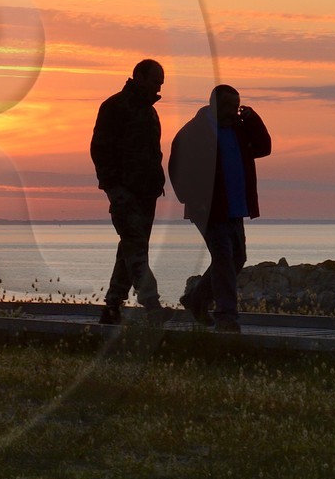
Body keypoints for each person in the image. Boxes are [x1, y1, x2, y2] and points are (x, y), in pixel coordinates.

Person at [168, 84, 272, 333]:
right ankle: (226, 316)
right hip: (208, 210)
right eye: (228, 106)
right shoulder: (193, 132)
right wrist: (191, 200)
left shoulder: (239, 128)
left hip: (235, 206)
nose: (233, 112)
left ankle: (196, 299)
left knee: (237, 258)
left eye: (236, 106)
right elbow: (176, 168)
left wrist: (254, 120)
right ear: (214, 104)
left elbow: (263, 148)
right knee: (224, 259)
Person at [89, 59, 167, 324]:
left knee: (130, 249)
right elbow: (100, 149)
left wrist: (157, 183)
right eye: (155, 81)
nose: (159, 87)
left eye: (161, 83)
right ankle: (152, 304)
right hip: (125, 193)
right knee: (135, 249)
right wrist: (113, 188)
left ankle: (112, 306)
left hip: (147, 194)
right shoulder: (115, 107)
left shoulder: (149, 112)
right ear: (140, 77)